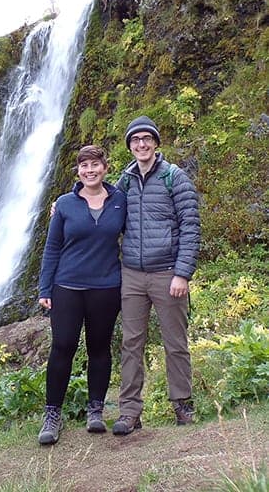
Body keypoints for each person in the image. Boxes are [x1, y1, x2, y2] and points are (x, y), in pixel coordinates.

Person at [112, 115, 200, 435]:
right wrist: (65, 203)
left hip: (167, 273)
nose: (141, 144)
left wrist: (182, 273)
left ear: (156, 143)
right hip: (132, 275)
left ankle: (183, 405)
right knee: (131, 344)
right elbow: (99, 205)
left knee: (175, 342)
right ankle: (129, 412)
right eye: (136, 140)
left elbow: (191, 226)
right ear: (130, 146)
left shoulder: (174, 177)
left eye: (147, 138)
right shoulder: (124, 182)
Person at [38, 145, 126, 445]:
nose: (90, 170)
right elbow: (52, 248)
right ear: (78, 171)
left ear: (105, 168)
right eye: (84, 166)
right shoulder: (64, 204)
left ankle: (96, 410)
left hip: (106, 286)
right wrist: (45, 288)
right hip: (67, 286)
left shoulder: (120, 200)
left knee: (99, 348)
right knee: (62, 347)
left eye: (95, 165)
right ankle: (52, 414)